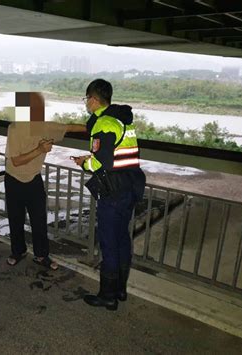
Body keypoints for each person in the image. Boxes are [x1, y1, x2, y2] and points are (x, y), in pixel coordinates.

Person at [72, 79, 146, 310]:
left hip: (114, 191)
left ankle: (107, 296)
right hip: (130, 185)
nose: (86, 104)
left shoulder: (104, 123)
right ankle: (120, 290)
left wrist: (84, 163)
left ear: (93, 100)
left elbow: (101, 162)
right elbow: (118, 155)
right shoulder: (121, 119)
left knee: (108, 242)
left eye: (86, 100)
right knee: (122, 238)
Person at [5, 92, 85, 270]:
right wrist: (40, 149)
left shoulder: (45, 127)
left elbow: (70, 128)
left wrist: (95, 127)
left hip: (33, 179)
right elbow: (16, 161)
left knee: (39, 220)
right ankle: (18, 251)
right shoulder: (15, 129)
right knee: (15, 219)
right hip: (13, 178)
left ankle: (41, 256)